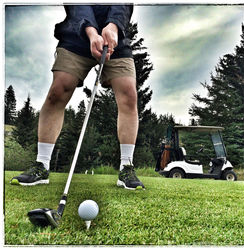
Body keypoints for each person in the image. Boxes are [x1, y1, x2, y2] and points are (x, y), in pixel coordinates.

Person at [10, 5, 145, 190]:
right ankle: (41, 165)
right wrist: (90, 31)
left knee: (129, 94)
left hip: (116, 40)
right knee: (58, 91)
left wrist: (113, 25)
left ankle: (126, 167)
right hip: (77, 36)